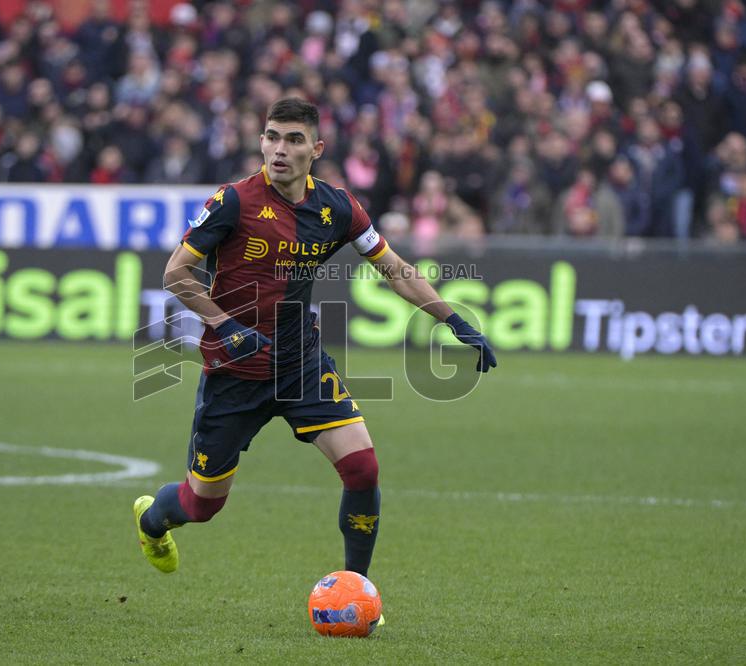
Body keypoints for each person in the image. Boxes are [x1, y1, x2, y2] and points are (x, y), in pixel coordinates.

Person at [132, 98, 497, 605]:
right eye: (272, 137)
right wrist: (226, 325)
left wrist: (452, 318)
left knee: (363, 468)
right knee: (202, 505)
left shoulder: (338, 208)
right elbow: (176, 274)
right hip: (235, 370)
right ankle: (152, 521)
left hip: (300, 364)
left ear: (316, 149)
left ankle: (358, 591)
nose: (279, 149)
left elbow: (394, 269)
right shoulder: (233, 201)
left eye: (293, 139)